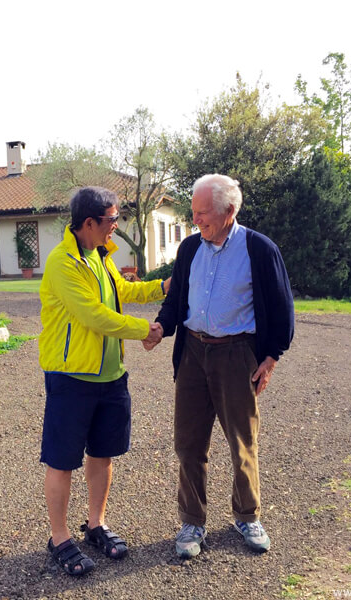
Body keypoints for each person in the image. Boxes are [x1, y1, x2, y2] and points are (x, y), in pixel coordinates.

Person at [145, 174, 294, 556]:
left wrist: (271, 358)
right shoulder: (190, 248)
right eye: (193, 212)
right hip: (193, 354)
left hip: (236, 355)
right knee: (188, 444)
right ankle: (192, 522)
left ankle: (247, 516)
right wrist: (162, 327)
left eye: (202, 213)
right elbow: (176, 300)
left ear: (229, 211)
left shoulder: (259, 250)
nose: (195, 220)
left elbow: (282, 310)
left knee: (243, 442)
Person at [39, 186, 169, 576]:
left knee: (102, 453)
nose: (116, 224)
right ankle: (59, 537)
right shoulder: (63, 263)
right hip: (71, 377)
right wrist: (145, 329)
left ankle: (96, 524)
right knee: (62, 460)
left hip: (111, 376)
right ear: (89, 222)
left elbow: (122, 290)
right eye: (112, 219)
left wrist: (162, 287)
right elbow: (93, 315)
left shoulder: (100, 254)